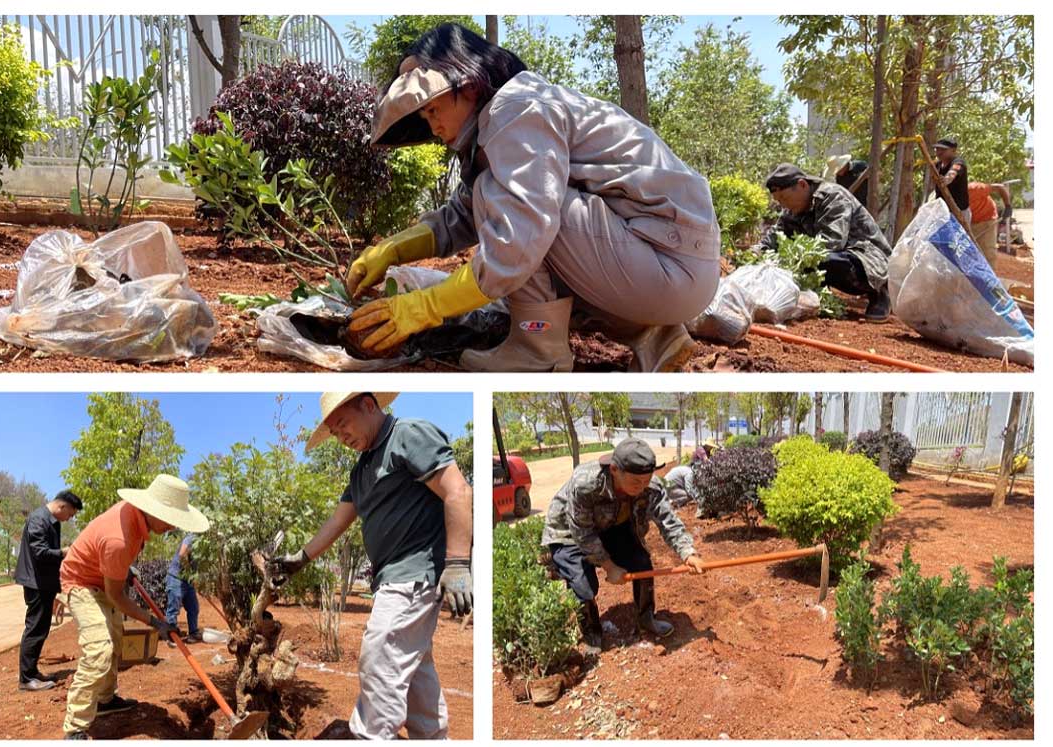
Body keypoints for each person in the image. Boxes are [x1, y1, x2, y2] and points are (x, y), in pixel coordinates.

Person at [344, 22, 720, 373]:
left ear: (470, 85)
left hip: (667, 262)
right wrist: (393, 249)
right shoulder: (501, 124)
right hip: (668, 265)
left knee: (519, 221)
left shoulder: (516, 109)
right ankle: (654, 335)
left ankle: (537, 349)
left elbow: (518, 236)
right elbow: (464, 213)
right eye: (424, 116)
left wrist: (424, 306)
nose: (433, 124)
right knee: (501, 201)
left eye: (434, 108)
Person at [273, 392, 472, 740]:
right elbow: (336, 523)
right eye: (334, 433)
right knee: (414, 673)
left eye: (343, 424)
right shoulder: (362, 468)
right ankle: (431, 740)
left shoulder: (408, 436)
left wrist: (457, 563)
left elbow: (457, 492)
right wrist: (298, 560)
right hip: (391, 579)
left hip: (412, 574)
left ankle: (370, 741)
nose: (341, 436)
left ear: (367, 405)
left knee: (380, 656)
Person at [59, 475, 209, 740]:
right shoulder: (120, 539)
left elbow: (111, 574)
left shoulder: (134, 520)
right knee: (100, 650)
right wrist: (154, 622)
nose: (173, 526)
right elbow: (116, 596)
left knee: (115, 642)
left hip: (102, 579)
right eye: (171, 518)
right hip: (80, 582)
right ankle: (75, 727)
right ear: (153, 511)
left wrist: (122, 569)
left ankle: (105, 700)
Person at [542, 438, 704, 655]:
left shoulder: (649, 487)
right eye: (636, 483)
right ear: (615, 470)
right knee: (583, 584)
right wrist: (609, 566)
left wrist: (688, 553)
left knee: (642, 562)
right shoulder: (585, 484)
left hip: (611, 524)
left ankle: (646, 617)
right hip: (569, 532)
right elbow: (582, 533)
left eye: (646, 481)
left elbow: (668, 521)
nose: (642, 488)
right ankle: (592, 632)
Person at [759, 163, 892, 322]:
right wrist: (756, 254)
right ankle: (819, 296)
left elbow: (832, 242)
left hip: (868, 258)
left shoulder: (833, 196)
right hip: (838, 256)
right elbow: (774, 236)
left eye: (784, 198)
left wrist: (790, 261)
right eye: (778, 200)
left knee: (824, 260)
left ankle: (881, 291)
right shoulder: (791, 210)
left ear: (802, 185)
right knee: (811, 261)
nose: (782, 204)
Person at [14, 490, 82, 691]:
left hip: (44, 583)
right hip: (36, 583)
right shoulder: (38, 519)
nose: (70, 518)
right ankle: (26, 679)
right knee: (34, 629)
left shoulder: (52, 521)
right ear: (62, 506)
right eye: (70, 514)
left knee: (41, 629)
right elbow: (40, 552)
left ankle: (32, 672)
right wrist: (64, 552)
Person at [165, 532, 201, 643]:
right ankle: (171, 636)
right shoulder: (192, 537)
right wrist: (189, 573)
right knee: (173, 608)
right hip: (176, 577)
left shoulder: (202, 543)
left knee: (193, 607)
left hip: (187, 580)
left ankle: (193, 633)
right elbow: (182, 554)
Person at [968, 181, 1012, 266]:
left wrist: (1008, 206)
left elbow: (999, 187)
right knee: (974, 251)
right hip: (972, 222)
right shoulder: (950, 197)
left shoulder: (974, 189)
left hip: (987, 219)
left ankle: (990, 277)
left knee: (987, 251)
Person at [930, 139, 970, 226]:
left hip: (958, 212)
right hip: (942, 211)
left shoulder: (958, 163)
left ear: (953, 150)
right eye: (937, 149)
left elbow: (952, 173)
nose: (939, 152)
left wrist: (946, 179)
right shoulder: (937, 165)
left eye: (943, 150)